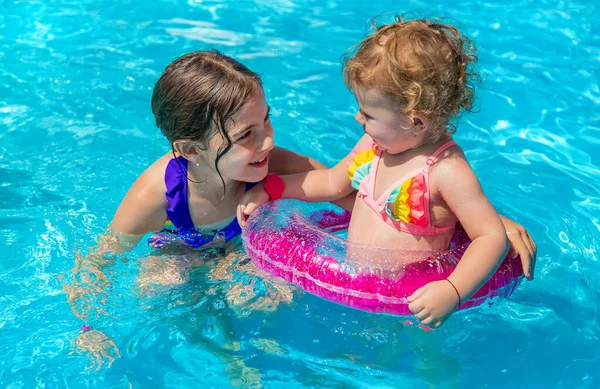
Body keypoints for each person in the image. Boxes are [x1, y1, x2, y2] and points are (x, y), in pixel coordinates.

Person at [65, 49, 535, 372]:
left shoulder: (273, 163)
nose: (266, 140)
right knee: (158, 287)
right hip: (182, 250)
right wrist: (89, 326)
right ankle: (222, 358)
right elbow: (99, 259)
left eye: (265, 119)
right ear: (190, 149)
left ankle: (251, 355)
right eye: (246, 135)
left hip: (247, 252)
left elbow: (362, 195)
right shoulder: (159, 192)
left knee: (268, 296)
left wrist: (486, 226)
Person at [237, 16, 535, 329]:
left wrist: (453, 290)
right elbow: (329, 183)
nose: (357, 118)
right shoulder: (374, 144)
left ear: (415, 121)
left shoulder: (446, 171)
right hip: (354, 286)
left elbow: (489, 237)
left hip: (411, 308)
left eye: (368, 114)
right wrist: (271, 188)